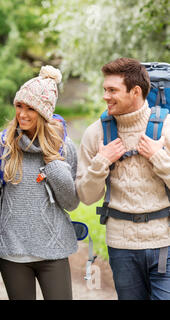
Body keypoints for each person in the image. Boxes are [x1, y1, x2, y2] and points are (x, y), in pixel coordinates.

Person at [76, 57, 170, 300]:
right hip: (121, 247)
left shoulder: (167, 128)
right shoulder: (95, 133)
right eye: (105, 89)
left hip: (164, 244)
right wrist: (101, 162)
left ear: (135, 91)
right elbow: (86, 197)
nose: (105, 96)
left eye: (112, 90)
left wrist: (158, 157)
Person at [0, 65, 79, 300]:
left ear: (45, 112)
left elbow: (70, 202)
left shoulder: (65, 148)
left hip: (53, 250)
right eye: (19, 106)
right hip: (13, 254)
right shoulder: (0, 145)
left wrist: (53, 161)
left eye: (31, 108)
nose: (22, 114)